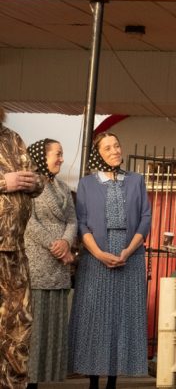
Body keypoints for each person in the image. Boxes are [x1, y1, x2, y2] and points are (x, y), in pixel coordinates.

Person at [67, 132, 151, 389]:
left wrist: (128, 250)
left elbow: (145, 218)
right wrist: (99, 253)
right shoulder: (87, 183)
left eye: (117, 145)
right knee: (96, 318)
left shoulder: (136, 180)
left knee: (122, 317)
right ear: (98, 154)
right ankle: (93, 380)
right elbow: (81, 222)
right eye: (108, 148)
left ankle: (113, 381)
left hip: (130, 255)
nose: (115, 151)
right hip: (96, 257)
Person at [24, 139, 76, 389]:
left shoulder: (64, 188)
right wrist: (55, 246)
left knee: (52, 329)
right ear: (41, 156)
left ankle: (42, 379)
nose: (62, 159)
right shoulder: (29, 184)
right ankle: (27, 379)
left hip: (59, 266)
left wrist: (66, 242)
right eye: (58, 154)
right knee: (34, 327)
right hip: (38, 261)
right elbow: (28, 221)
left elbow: (73, 220)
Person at [0, 108, 42, 389]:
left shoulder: (12, 138)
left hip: (14, 250)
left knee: (18, 324)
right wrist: (5, 181)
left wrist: (35, 182)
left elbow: (35, 179)